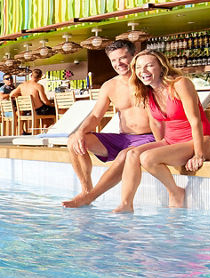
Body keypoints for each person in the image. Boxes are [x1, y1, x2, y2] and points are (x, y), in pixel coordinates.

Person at [113, 50, 210, 213]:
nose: (143, 71)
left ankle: (175, 192)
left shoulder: (180, 84)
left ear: (161, 67)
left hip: (201, 139)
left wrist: (198, 154)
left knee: (147, 158)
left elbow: (195, 120)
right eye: (139, 67)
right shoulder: (146, 92)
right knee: (131, 154)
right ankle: (126, 204)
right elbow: (155, 122)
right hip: (172, 140)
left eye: (149, 65)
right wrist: (162, 146)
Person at [61, 39, 154, 207]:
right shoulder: (109, 86)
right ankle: (86, 189)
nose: (118, 63)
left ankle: (92, 196)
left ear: (134, 56)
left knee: (124, 155)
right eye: (114, 60)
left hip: (149, 138)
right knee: (73, 141)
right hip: (123, 138)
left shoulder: (148, 80)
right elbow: (96, 115)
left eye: (123, 58)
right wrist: (80, 132)